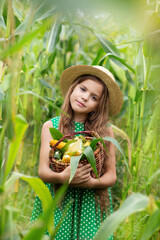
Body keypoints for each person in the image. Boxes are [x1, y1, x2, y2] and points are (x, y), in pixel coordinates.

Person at [31, 65, 123, 240]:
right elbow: (43, 171)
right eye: (82, 89)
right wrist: (63, 177)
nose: (85, 97)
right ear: (73, 88)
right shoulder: (51, 126)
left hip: (90, 202)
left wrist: (91, 183)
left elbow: (111, 176)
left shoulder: (105, 132)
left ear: (98, 106)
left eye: (93, 97)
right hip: (58, 199)